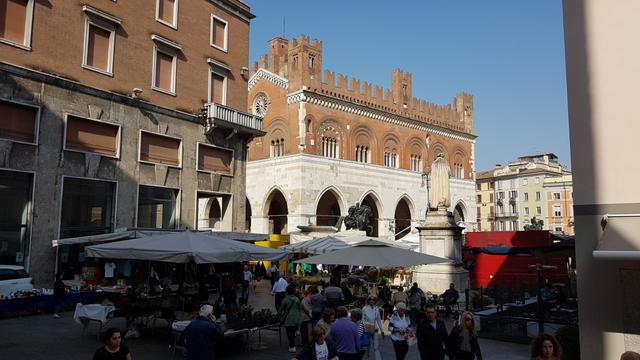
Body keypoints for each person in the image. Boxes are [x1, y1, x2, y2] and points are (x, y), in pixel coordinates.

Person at [279, 284, 302, 353]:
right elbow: (299, 309)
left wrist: (277, 316)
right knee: (293, 332)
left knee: (290, 333)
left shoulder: (285, 300)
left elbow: (280, 310)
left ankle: (292, 346)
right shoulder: (297, 299)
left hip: (288, 319)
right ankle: (292, 344)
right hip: (296, 319)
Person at [362, 294, 384, 360]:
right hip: (367, 329)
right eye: (370, 300)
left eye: (373, 300)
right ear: (368, 301)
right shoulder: (364, 308)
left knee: (376, 347)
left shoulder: (376, 309)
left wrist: (382, 330)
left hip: (375, 329)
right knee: (366, 347)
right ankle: (366, 358)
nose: (372, 301)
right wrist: (366, 326)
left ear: (375, 301)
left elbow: (379, 320)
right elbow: (363, 319)